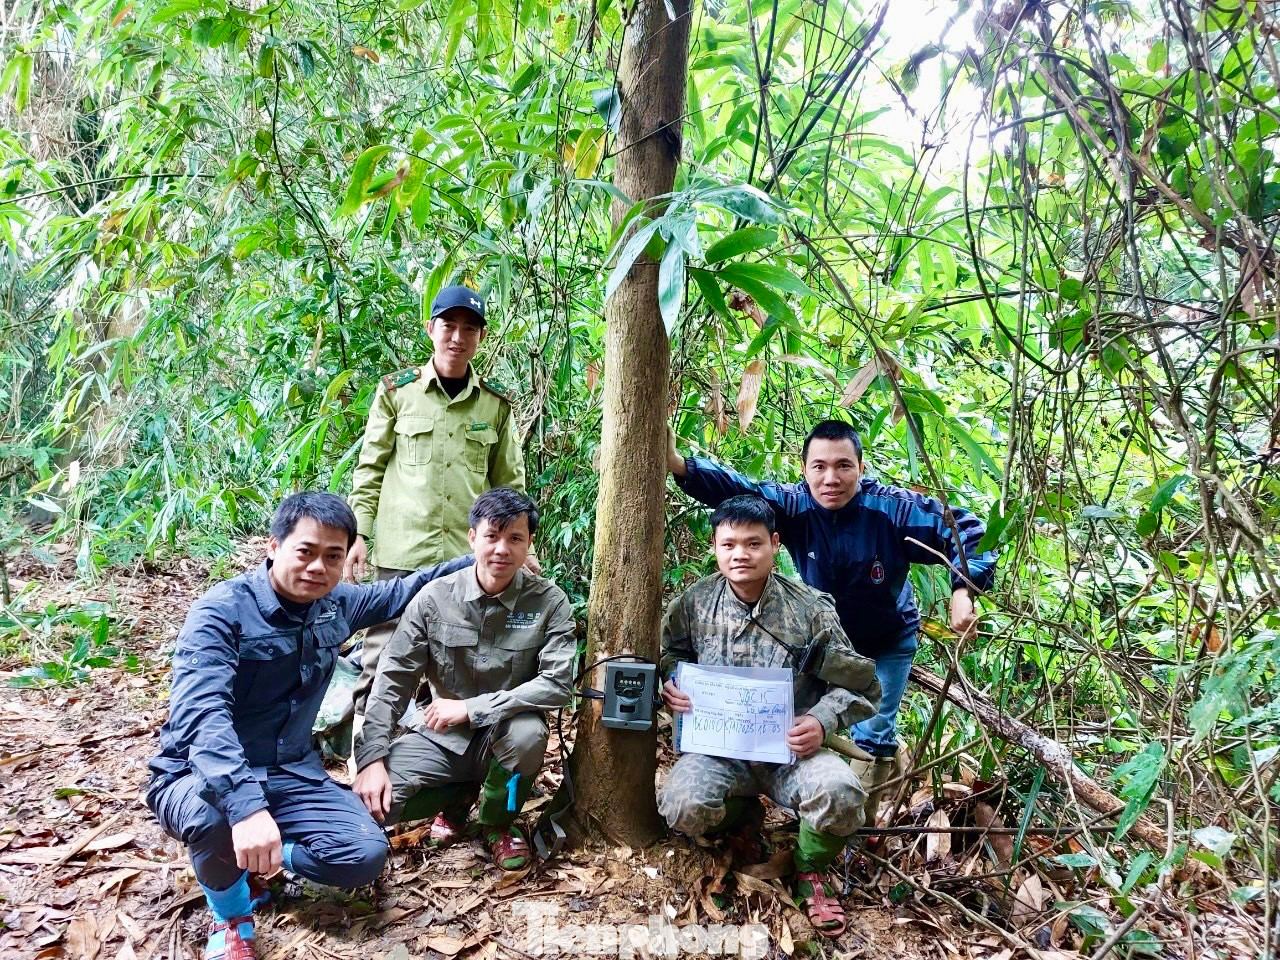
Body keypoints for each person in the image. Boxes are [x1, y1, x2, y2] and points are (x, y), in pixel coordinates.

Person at [146, 492, 474, 960]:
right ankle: (234, 916)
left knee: (364, 855)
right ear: (274, 546)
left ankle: (264, 860)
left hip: (289, 769)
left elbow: (408, 589)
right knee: (214, 817)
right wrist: (245, 809)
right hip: (197, 772)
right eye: (306, 551)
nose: (318, 567)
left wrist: (484, 558)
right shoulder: (221, 612)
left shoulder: (336, 604)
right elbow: (203, 716)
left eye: (333, 556)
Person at [667, 419, 997, 821]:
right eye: (819, 466)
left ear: (861, 466)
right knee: (809, 717)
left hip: (884, 639)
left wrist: (964, 587)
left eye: (843, 466)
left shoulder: (891, 509)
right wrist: (680, 465)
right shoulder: (795, 505)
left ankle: (853, 833)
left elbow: (965, 529)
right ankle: (765, 804)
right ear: (803, 470)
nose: (831, 478)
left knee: (872, 734)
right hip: (821, 641)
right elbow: (741, 492)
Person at [657, 495, 880, 938]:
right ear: (715, 548)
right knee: (682, 804)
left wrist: (821, 721)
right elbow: (671, 655)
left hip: (792, 750)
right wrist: (670, 684)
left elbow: (863, 685)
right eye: (729, 544)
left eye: (753, 543)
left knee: (841, 794)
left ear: (775, 544)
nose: (741, 554)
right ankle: (741, 824)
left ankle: (808, 869)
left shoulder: (810, 608)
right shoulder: (694, 603)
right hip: (721, 752)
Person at [352, 488, 575, 872]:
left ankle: (496, 824)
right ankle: (457, 801)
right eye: (491, 536)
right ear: (472, 538)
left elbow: (557, 684)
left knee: (528, 736)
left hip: (504, 733)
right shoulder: (433, 598)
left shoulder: (548, 602)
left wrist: (471, 709)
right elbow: (391, 681)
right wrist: (370, 758)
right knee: (373, 805)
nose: (502, 549)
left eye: (515, 538)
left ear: (529, 544)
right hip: (440, 737)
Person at [345, 284, 533, 729]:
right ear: (431, 329)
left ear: (480, 338)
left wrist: (523, 545)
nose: (457, 337)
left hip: (464, 559)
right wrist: (360, 534)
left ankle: (441, 764)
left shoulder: (495, 404)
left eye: (470, 328)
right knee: (383, 660)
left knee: (460, 660)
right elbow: (370, 467)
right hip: (402, 552)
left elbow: (509, 484)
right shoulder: (397, 393)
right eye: (448, 325)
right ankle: (363, 753)